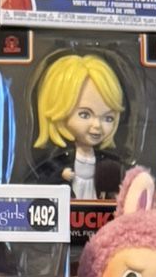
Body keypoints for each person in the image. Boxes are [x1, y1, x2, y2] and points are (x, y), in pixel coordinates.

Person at [30, 51, 126, 200]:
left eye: (108, 118)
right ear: (60, 112)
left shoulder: (106, 160)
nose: (97, 125)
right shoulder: (56, 159)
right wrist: (60, 175)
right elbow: (42, 179)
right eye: (85, 115)